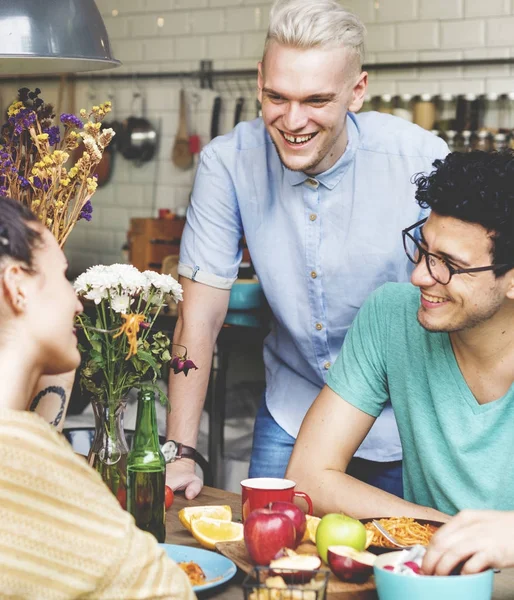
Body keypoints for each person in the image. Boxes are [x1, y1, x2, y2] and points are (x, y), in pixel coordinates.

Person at [166, 0, 448, 499]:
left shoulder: (419, 159)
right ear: (259, 82)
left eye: (316, 99)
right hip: (296, 406)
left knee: (403, 559)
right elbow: (200, 317)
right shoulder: (227, 164)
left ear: (357, 91)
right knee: (268, 558)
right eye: (277, 96)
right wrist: (180, 453)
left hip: (404, 417)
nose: (292, 121)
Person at [286, 149, 514, 521]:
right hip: (427, 569)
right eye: (423, 249)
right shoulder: (393, 314)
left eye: (451, 265)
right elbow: (307, 479)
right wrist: (449, 531)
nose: (420, 277)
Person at [0, 197, 194, 600]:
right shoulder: (28, 459)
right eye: (63, 277)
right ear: (16, 285)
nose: (77, 301)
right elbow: (167, 590)